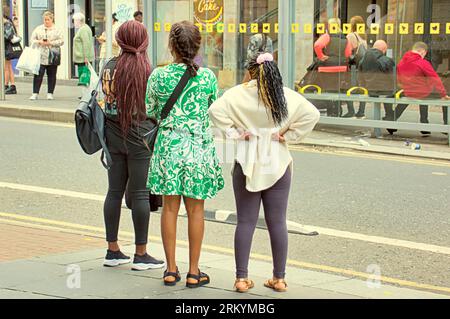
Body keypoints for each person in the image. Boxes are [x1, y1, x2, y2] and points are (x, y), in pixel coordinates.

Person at [209, 52, 320, 293]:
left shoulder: (237, 94)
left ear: (250, 72)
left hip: (246, 159)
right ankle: (279, 278)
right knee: (277, 222)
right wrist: (287, 136)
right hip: (277, 160)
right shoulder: (284, 95)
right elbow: (312, 114)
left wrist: (234, 133)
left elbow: (215, 111)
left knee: (246, 221)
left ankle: (241, 278)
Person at [146, 21, 224, 288]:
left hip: (169, 146)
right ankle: (193, 272)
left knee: (169, 208)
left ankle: (170, 270)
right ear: (198, 45)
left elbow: (151, 109)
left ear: (172, 45)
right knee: (196, 211)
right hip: (197, 148)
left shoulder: (158, 75)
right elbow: (214, 109)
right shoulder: (207, 77)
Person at [100, 20, 165, 270]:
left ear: (119, 39)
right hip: (141, 139)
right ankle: (141, 254)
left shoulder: (109, 67)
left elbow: (104, 100)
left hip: (113, 137)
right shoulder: (147, 70)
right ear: (143, 41)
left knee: (113, 192)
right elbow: (154, 108)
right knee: (139, 194)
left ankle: (113, 250)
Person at [390, 42, 450, 135]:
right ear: (422, 51)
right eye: (424, 54)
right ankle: (446, 126)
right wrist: (443, 94)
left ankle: (392, 120)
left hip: (409, 91)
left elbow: (399, 79)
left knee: (418, 93)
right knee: (445, 99)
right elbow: (434, 78)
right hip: (422, 92)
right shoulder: (422, 62)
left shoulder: (401, 62)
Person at [29, 11, 64, 101]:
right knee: (38, 74)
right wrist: (39, 42)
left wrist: (50, 43)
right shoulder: (39, 28)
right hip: (40, 55)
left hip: (52, 55)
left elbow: (61, 41)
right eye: (45, 20)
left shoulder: (57, 29)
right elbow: (32, 40)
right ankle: (35, 93)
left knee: (52, 74)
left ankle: (50, 93)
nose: (46, 21)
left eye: (48, 20)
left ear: (52, 19)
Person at [358, 40, 396, 121]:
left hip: (369, 90)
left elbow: (360, 78)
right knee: (391, 94)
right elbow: (392, 79)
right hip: (384, 91)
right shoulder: (387, 60)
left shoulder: (363, 60)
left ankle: (389, 117)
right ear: (384, 49)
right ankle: (390, 117)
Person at [344, 16, 368, 118]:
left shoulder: (351, 35)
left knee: (348, 87)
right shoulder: (364, 36)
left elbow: (348, 51)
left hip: (353, 66)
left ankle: (351, 111)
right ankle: (361, 112)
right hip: (362, 66)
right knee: (362, 88)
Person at [72, 13, 94, 97]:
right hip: (81, 57)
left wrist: (86, 57)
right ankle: (85, 93)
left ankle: (86, 94)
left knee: (84, 76)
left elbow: (86, 43)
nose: (74, 23)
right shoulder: (84, 28)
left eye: (74, 21)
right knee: (85, 76)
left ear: (78, 21)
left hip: (82, 57)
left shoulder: (83, 29)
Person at [3, 14, 19, 95]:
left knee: (7, 67)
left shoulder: (7, 24)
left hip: (7, 48)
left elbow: (8, 36)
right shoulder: (7, 24)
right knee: (7, 67)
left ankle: (10, 85)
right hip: (5, 48)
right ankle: (7, 84)